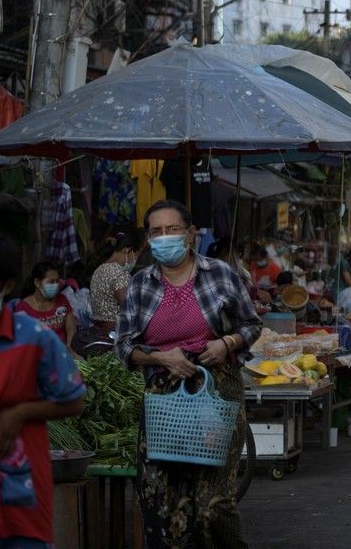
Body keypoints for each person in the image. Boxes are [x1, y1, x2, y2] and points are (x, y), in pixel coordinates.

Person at [115, 199, 262, 548]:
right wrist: (162, 359)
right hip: (163, 402)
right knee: (160, 499)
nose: (164, 237)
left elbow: (252, 324)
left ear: (191, 233)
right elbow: (122, 345)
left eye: (173, 229)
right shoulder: (139, 284)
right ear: (149, 239)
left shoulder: (221, 275)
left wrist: (225, 343)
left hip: (217, 393)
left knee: (214, 503)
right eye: (156, 232)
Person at [0, 229, 87, 547]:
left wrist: (22, 412)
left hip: (20, 498)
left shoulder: (34, 338)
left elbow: (75, 400)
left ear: (7, 286)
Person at [89, 231, 145, 332]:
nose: (135, 261)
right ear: (128, 251)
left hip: (99, 330)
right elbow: (130, 309)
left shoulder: (98, 270)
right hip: (117, 332)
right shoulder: (120, 273)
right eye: (136, 257)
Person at [14, 262, 78, 348]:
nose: (55, 285)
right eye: (51, 282)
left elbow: (71, 328)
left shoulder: (62, 300)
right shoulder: (23, 308)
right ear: (37, 282)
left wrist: (69, 345)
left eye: (57, 281)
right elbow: (22, 339)